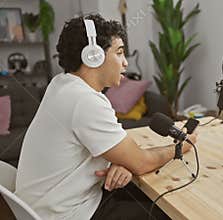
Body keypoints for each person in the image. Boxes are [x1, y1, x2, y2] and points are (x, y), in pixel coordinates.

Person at [15, 14, 196, 220]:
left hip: (46, 207)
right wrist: (182, 146)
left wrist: (121, 161)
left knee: (140, 192)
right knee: (169, 212)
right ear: (93, 55)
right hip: (69, 214)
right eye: (119, 53)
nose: (125, 63)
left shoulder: (61, 84)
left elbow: (121, 151)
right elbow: (142, 163)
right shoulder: (85, 101)